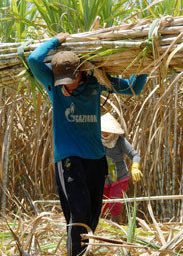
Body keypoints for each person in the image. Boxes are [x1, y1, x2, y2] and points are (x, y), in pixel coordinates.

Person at [27, 33, 147, 256]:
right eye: (62, 81)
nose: (66, 86)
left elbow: (133, 89)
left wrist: (147, 62)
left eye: (70, 80)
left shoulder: (96, 83)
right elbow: (33, 60)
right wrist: (56, 40)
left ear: (80, 72)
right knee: (78, 213)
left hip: (96, 159)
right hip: (69, 159)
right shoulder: (53, 85)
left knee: (92, 216)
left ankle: (82, 251)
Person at [100, 113, 143, 225]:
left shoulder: (120, 141)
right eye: (103, 130)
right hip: (103, 178)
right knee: (100, 206)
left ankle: (117, 229)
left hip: (120, 177)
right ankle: (98, 230)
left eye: (107, 130)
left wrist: (135, 167)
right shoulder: (96, 141)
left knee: (114, 204)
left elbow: (135, 155)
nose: (105, 133)